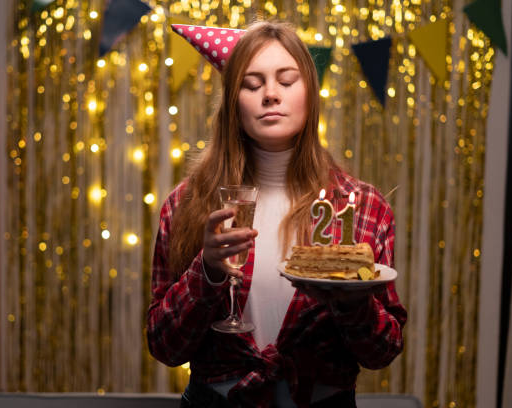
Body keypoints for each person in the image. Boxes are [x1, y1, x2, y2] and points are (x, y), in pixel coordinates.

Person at [147, 20, 407, 408]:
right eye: (252, 85)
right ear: (233, 101)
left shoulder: (364, 207)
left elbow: (382, 352)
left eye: (287, 81)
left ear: (311, 94)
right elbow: (164, 345)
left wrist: (350, 299)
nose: (270, 94)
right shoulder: (187, 204)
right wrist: (208, 272)